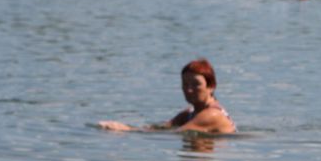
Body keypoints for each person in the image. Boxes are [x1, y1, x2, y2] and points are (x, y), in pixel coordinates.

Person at [98, 58, 237, 134]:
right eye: (185, 84)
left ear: (211, 86)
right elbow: (162, 128)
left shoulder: (212, 114)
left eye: (195, 84)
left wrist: (125, 130)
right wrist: (127, 126)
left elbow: (175, 134)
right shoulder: (189, 113)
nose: (189, 90)